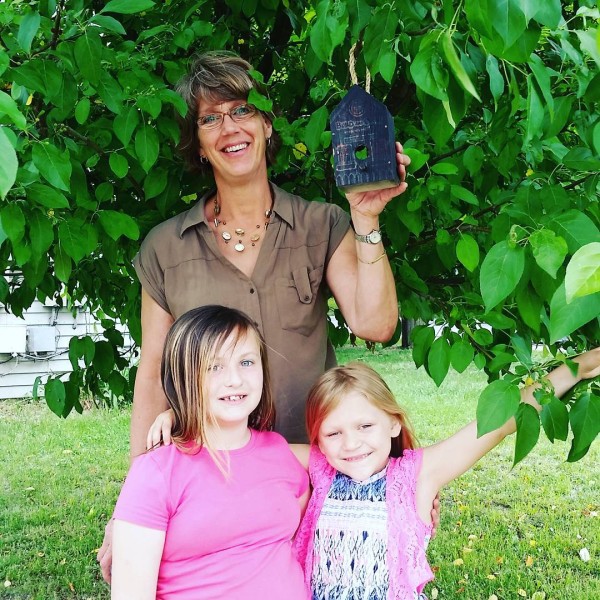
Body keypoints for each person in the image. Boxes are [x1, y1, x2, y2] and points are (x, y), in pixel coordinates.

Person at [100, 48, 411, 581]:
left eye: (242, 109)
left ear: (267, 124)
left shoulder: (321, 224)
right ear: (198, 144)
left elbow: (375, 324)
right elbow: (153, 373)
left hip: (319, 472)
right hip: (213, 488)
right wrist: (131, 510)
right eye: (210, 118)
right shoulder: (165, 248)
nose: (230, 128)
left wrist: (366, 219)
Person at [291, 351, 600, 599]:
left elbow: (498, 424)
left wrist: (578, 368)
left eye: (365, 426)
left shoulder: (417, 475)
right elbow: (261, 449)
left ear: (393, 423)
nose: (350, 443)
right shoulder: (321, 469)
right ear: (319, 441)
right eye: (333, 433)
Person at [111, 305, 310, 600]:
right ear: (184, 379)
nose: (235, 380)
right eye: (214, 367)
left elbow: (345, 454)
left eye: (246, 362)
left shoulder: (280, 453)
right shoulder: (156, 472)